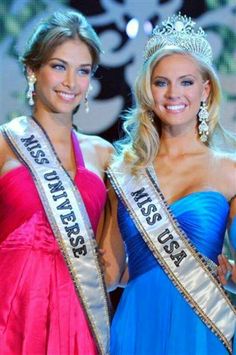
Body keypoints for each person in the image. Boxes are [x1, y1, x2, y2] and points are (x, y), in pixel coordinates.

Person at [100, 13, 236, 355]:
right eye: (162, 82)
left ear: (205, 89)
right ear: (149, 90)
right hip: (136, 325)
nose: (174, 93)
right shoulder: (125, 171)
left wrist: (232, 274)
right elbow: (111, 271)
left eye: (186, 82)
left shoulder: (230, 170)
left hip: (200, 328)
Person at [0, 10, 112, 355]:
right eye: (59, 66)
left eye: (83, 71)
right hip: (12, 312)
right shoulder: (5, 143)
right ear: (33, 70)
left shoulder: (104, 155)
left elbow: (115, 253)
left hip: (80, 314)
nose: (70, 83)